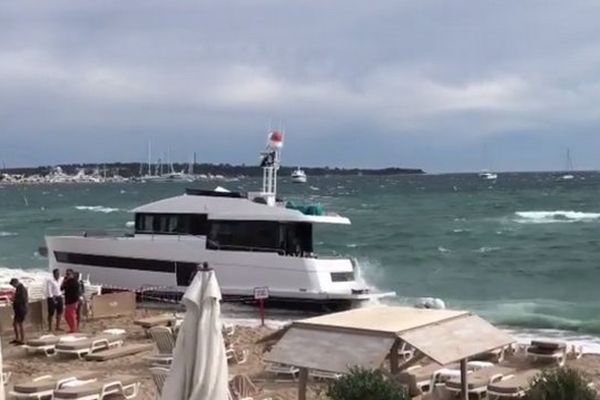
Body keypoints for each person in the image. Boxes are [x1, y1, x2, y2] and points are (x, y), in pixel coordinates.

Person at [10, 278, 28, 344]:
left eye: (13, 285)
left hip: (21, 309)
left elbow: (23, 299)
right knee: (15, 324)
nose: (13, 287)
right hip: (18, 309)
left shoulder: (21, 288)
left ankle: (22, 340)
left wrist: (14, 300)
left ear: (15, 283)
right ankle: (17, 338)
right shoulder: (19, 288)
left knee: (20, 324)